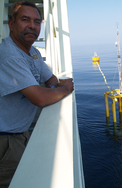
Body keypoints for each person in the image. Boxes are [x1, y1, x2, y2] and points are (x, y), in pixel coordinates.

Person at [0, 1, 74, 187]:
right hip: (6, 139)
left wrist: (53, 88)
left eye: (37, 22)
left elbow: (51, 79)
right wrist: (65, 89)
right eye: (25, 20)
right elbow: (40, 98)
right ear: (11, 23)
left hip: (19, 132)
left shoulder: (32, 52)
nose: (32, 26)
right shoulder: (10, 56)